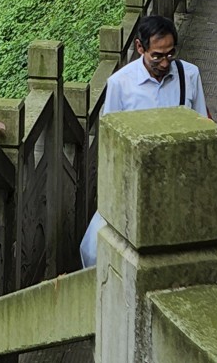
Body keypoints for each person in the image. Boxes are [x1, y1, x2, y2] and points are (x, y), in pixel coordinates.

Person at [79, 15, 208, 267]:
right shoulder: (121, 83)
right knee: (93, 250)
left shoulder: (189, 75)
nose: (164, 63)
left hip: (176, 179)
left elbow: (201, 125)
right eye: (157, 56)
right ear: (140, 48)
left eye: (170, 54)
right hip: (133, 180)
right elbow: (111, 139)